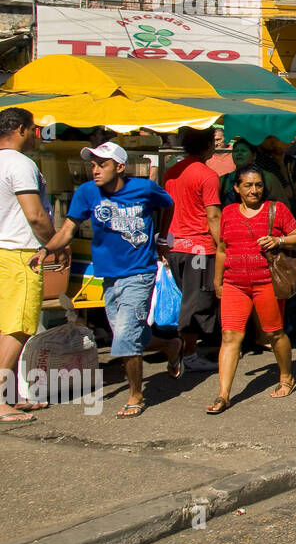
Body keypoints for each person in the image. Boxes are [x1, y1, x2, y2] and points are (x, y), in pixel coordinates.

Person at [39, 142, 183, 419]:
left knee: (125, 338)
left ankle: (136, 396)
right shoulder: (86, 192)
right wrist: (47, 250)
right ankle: (169, 345)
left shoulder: (144, 188)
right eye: (92, 164)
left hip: (140, 272)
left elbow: (168, 204)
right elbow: (68, 228)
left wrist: (162, 236)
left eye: (101, 164)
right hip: (107, 274)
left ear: (119, 167)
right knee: (125, 335)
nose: (94, 170)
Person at [206, 163, 296, 414]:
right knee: (230, 337)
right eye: (248, 185)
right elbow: (221, 249)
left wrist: (279, 240)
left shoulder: (277, 209)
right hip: (234, 284)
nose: (254, 190)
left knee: (273, 334)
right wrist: (217, 282)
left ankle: (286, 377)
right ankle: (223, 395)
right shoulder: (228, 213)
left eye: (258, 185)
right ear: (237, 188)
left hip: (266, 283)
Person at [0, 108, 61, 422]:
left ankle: (9, 394)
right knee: (19, 327)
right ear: (21, 129)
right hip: (19, 253)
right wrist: (54, 244)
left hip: (3, 251)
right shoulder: (21, 164)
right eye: (34, 129)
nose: (37, 135)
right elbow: (35, 215)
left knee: (5, 326)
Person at [162, 127, 221, 373]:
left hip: (175, 246)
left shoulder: (172, 172)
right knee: (196, 300)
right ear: (209, 144)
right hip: (198, 249)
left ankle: (188, 348)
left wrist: (162, 242)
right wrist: (223, 247)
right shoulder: (207, 175)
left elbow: (165, 208)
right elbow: (214, 215)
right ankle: (188, 352)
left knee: (187, 298)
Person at [218, 138, 256, 205]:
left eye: (243, 151)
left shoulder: (267, 178)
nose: (239, 154)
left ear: (254, 156)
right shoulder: (223, 180)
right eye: (236, 151)